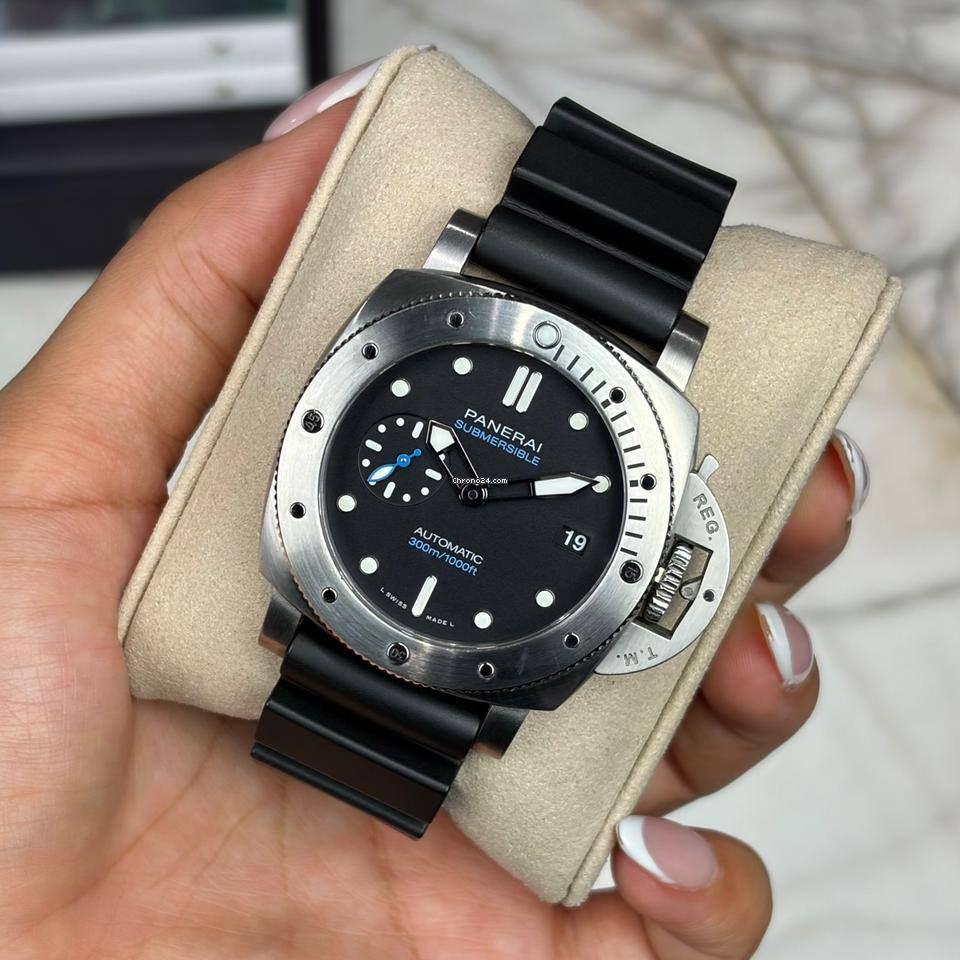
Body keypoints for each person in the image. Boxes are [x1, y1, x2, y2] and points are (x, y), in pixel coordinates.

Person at [0, 65, 867, 959]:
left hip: (453, 656)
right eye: (466, 479)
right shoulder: (441, 287)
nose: (475, 497)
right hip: (338, 606)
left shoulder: (542, 348)